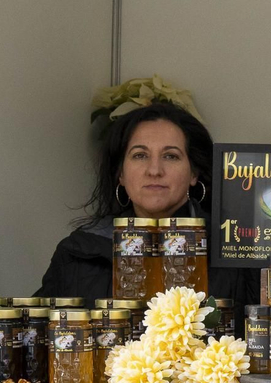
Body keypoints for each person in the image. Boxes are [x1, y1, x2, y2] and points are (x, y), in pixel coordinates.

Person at [37, 101, 259, 324]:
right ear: (120, 174)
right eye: (140, 155)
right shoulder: (78, 252)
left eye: (171, 156)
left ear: (194, 173)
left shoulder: (234, 250)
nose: (154, 170)